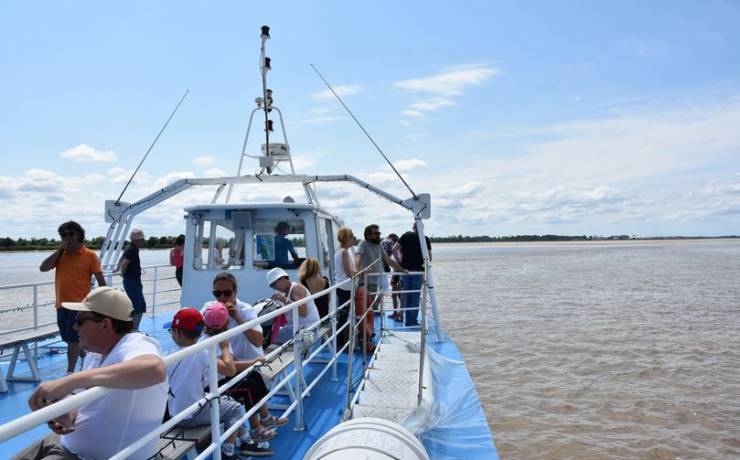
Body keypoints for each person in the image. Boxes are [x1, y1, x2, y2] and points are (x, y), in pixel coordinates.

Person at [13, 287, 167, 460]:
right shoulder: (95, 355)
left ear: (105, 324)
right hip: (65, 442)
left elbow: (154, 369)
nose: (74, 327)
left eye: (79, 321)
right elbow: (82, 401)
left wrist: (69, 381)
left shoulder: (134, 344)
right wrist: (66, 413)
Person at [164, 307, 264, 459]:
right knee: (236, 408)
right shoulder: (204, 353)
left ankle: (244, 439)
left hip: (174, 413)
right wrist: (224, 348)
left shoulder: (168, 356)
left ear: (177, 333)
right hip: (192, 415)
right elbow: (230, 371)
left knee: (224, 400)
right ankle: (227, 451)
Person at [202, 273, 288, 437]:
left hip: (240, 362)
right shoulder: (210, 311)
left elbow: (258, 341)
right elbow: (198, 337)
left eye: (227, 293)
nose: (222, 298)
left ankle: (264, 418)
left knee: (253, 376)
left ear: (235, 292)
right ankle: (257, 426)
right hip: (226, 367)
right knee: (250, 383)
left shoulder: (245, 311)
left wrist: (237, 317)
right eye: (217, 294)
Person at [39, 220, 106, 374]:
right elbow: (43, 268)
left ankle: (70, 372)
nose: (67, 237)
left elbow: (101, 281)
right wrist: (58, 252)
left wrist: (104, 304)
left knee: (73, 340)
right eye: (63, 235)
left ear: (79, 235)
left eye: (71, 234)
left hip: (80, 305)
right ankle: (84, 355)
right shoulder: (60, 256)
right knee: (68, 338)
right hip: (62, 305)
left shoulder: (90, 256)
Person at [355, 224, 405, 351]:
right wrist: (357, 270)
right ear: (367, 235)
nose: (378, 235)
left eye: (379, 233)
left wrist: (400, 269)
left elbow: (388, 259)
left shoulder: (378, 246)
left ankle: (367, 339)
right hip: (363, 282)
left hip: (373, 282)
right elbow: (358, 257)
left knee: (369, 312)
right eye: (375, 233)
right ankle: (364, 342)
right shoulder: (363, 244)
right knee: (364, 312)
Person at [267, 267, 320, 345]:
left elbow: (304, 312)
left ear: (282, 279)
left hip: (308, 330)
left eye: (274, 284)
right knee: (269, 333)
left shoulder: (296, 289)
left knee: (268, 337)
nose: (274, 288)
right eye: (272, 286)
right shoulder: (286, 292)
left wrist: (284, 300)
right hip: (300, 328)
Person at [394, 222, 432, 327]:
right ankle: (413, 321)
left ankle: (407, 321)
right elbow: (429, 257)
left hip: (405, 271)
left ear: (413, 227)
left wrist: (398, 264)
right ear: (422, 228)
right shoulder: (425, 239)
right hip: (418, 271)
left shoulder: (405, 235)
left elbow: (393, 249)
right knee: (415, 296)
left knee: (407, 296)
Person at [117, 229, 147, 330]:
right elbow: (124, 263)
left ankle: (133, 329)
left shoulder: (129, 248)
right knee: (138, 307)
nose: (143, 241)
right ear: (137, 240)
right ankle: (133, 330)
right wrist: (122, 273)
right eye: (142, 239)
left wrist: (117, 269)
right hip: (132, 282)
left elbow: (121, 259)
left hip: (132, 281)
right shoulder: (132, 250)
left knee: (139, 306)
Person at [333, 226, 356, 352]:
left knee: (343, 316)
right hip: (345, 288)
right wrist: (362, 272)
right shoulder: (344, 252)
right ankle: (339, 344)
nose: (353, 239)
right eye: (352, 237)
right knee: (343, 317)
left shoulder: (340, 251)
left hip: (343, 287)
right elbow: (349, 273)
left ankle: (340, 342)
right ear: (348, 238)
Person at [381, 233, 403, 321]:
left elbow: (397, 263)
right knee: (395, 295)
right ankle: (396, 313)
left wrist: (394, 277)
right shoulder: (394, 250)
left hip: (398, 272)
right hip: (396, 272)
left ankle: (399, 313)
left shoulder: (396, 250)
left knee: (398, 295)